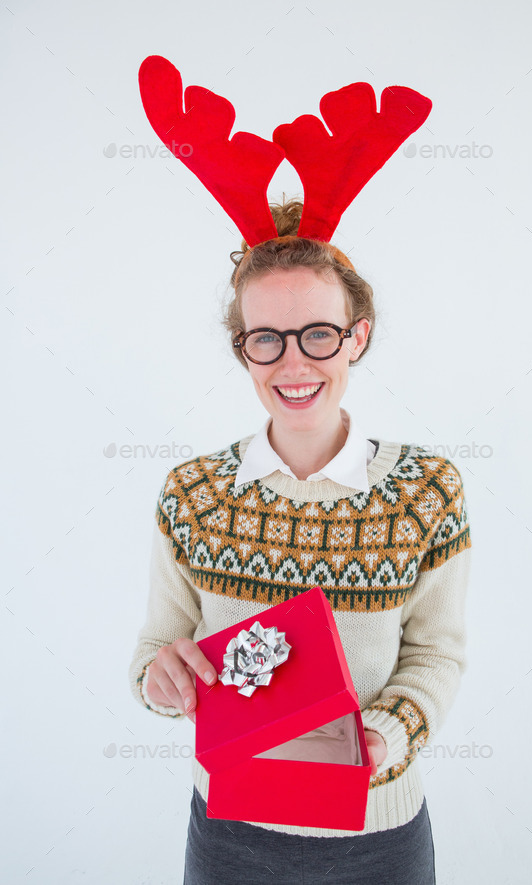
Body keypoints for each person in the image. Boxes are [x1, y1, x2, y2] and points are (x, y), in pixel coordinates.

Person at [128, 198, 472, 884]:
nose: (293, 362)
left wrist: (386, 735)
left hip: (379, 835)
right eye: (267, 338)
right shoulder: (193, 491)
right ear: (243, 347)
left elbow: (438, 653)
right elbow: (153, 655)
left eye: (318, 333)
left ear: (357, 336)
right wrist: (160, 681)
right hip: (230, 834)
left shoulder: (427, 489)